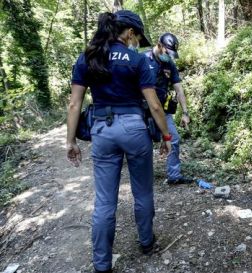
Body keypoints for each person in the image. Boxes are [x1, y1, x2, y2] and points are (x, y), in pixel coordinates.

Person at [66, 10, 173, 273]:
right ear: (130, 33)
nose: (137, 40)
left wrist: (71, 141)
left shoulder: (89, 57)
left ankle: (102, 264)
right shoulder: (138, 61)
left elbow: (74, 104)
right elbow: (155, 106)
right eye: (137, 36)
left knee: (104, 201)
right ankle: (147, 243)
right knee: (143, 191)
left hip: (102, 130)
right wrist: (166, 137)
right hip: (135, 129)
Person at [143, 32, 192, 184]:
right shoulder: (143, 60)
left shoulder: (169, 64)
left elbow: (179, 89)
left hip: (163, 111)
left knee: (174, 139)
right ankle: (143, 178)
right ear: (159, 45)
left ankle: (174, 175)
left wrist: (185, 113)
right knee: (143, 144)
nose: (168, 56)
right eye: (167, 52)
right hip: (142, 111)